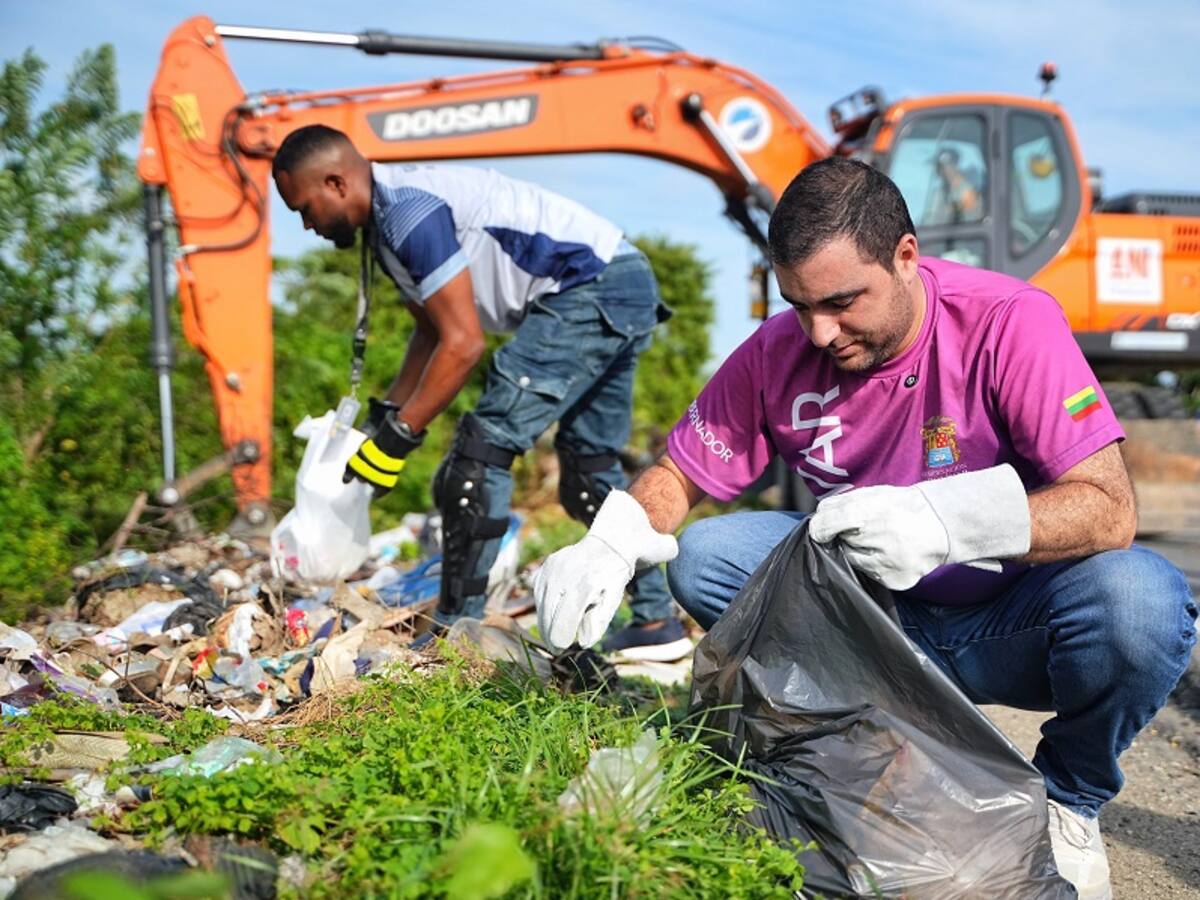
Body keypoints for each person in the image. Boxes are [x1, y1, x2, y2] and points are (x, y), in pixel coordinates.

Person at [534, 157, 1196, 899]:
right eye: (798, 304)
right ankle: (878, 748)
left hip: (1011, 621)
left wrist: (945, 522)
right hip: (870, 631)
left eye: (843, 301)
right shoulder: (779, 351)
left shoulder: (1008, 321)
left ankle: (1068, 800)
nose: (820, 332)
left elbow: (1110, 509)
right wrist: (611, 540)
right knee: (708, 555)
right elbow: (680, 474)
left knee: (1142, 605)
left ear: (905, 257)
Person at [271, 124, 690, 658]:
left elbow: (463, 343)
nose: (307, 225)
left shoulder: (407, 214)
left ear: (335, 183)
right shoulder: (387, 228)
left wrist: (401, 437)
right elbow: (430, 331)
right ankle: (657, 626)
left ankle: (455, 637)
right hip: (621, 279)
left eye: (305, 208)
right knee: (586, 471)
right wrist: (385, 420)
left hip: (593, 286)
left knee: (478, 456)